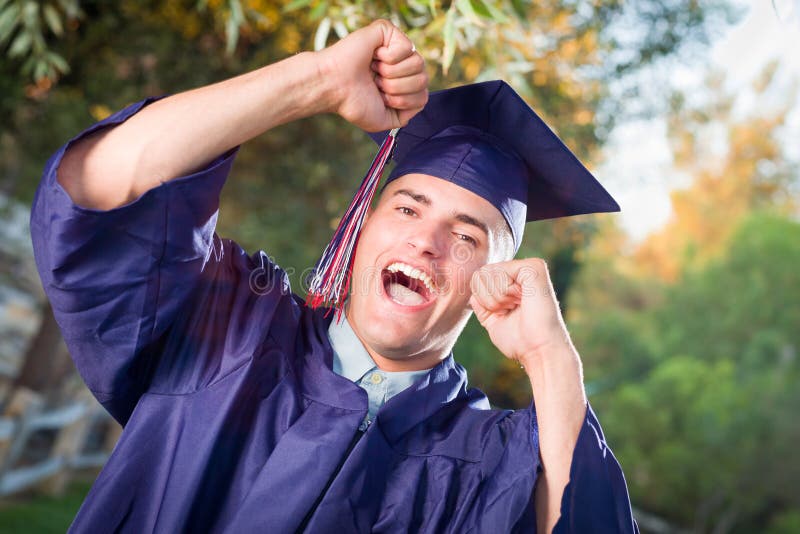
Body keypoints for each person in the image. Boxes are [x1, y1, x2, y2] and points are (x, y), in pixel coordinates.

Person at [31, 20, 638, 533]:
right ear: (361, 226)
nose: (425, 242)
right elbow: (98, 189)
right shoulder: (229, 324)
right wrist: (313, 81)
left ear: (494, 278)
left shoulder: (490, 461)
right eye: (406, 207)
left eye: (467, 236)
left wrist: (551, 357)